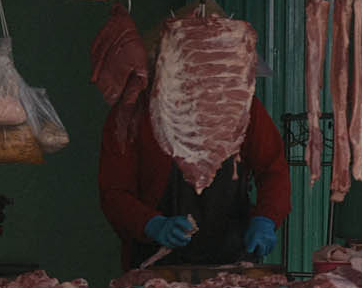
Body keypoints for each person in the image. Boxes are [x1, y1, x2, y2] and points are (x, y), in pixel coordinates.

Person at [99, 85, 291, 272]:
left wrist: (266, 218)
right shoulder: (133, 111)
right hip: (155, 267)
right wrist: (150, 224)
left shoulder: (240, 103)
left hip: (233, 264)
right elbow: (114, 192)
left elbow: (273, 170)